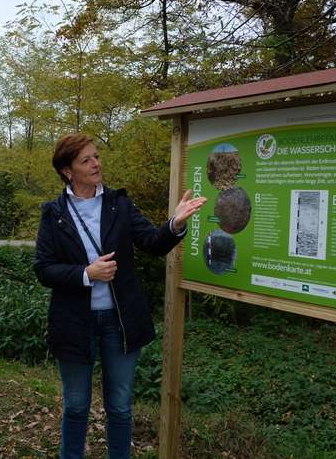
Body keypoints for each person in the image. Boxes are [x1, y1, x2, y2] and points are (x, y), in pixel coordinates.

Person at [34, 133, 207, 459]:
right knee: (75, 405)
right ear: (68, 171)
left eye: (96, 156)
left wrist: (175, 224)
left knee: (120, 405)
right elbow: (43, 269)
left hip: (120, 321)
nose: (96, 163)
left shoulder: (119, 204)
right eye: (86, 160)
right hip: (73, 322)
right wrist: (87, 273)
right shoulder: (53, 213)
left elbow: (153, 242)